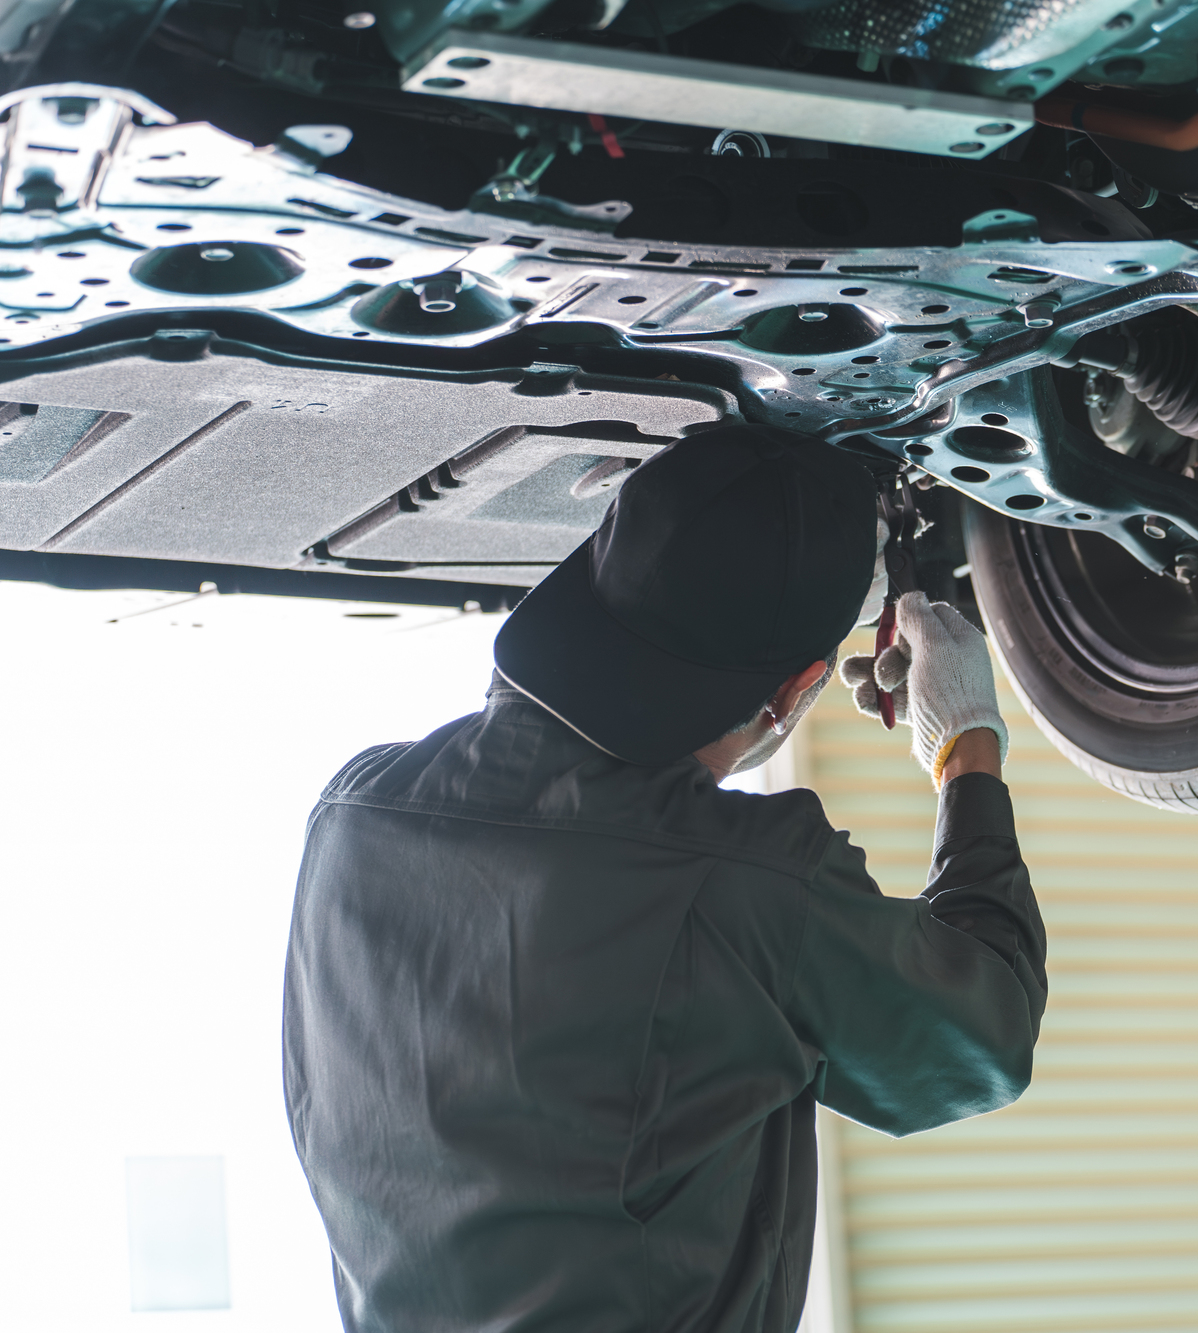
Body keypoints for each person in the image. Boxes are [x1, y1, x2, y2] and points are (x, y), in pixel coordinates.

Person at [281, 423, 1047, 1333]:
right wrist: (964, 743)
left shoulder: (355, 813)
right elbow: (977, 1035)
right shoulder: (745, 887)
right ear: (798, 692)